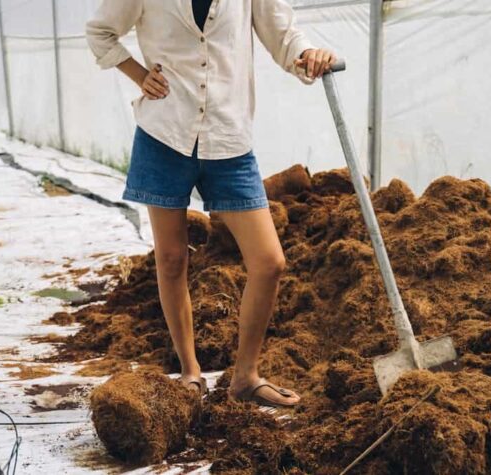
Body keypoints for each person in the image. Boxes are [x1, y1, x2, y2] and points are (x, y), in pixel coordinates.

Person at [86, 0, 336, 408]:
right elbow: (100, 30)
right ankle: (190, 372)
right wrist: (139, 75)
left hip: (228, 137)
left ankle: (245, 377)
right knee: (170, 260)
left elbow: (282, 34)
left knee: (269, 262)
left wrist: (308, 55)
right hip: (164, 134)